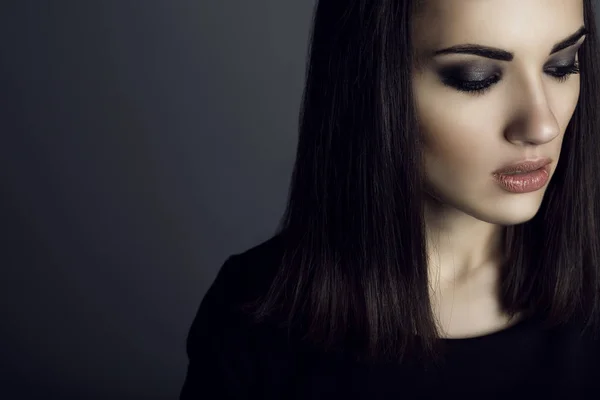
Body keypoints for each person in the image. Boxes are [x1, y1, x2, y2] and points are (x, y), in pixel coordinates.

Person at [181, 0, 600, 398]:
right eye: (475, 77)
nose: (542, 125)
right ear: (369, 83)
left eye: (562, 66)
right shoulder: (254, 317)